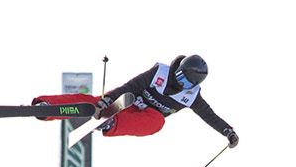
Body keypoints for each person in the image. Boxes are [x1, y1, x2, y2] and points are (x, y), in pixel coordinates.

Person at [94, 54, 238, 147]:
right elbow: (131, 86)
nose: (181, 83)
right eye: (180, 77)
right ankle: (86, 106)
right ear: (178, 69)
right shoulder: (160, 73)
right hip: (129, 102)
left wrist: (228, 132)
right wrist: (108, 99)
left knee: (158, 122)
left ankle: (110, 123)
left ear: (193, 86)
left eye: (186, 84)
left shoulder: (191, 96)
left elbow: (210, 116)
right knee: (106, 99)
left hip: (144, 117)